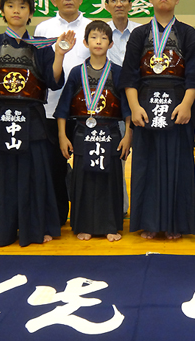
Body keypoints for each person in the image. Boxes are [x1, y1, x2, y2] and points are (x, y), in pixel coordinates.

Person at [0, 0, 76, 247]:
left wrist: (60, 55)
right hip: (0, 117)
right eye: (10, 6)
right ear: (2, 11)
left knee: (35, 176)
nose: (16, 11)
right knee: (1, 176)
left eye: (22, 7)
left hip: (32, 119)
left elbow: (53, 82)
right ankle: (0, 231)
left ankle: (36, 228)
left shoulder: (41, 45)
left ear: (30, 13)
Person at [119, 0, 195, 240]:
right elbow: (129, 74)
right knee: (147, 164)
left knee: (179, 163)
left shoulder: (188, 33)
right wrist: (134, 107)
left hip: (178, 103)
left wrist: (188, 104)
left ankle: (176, 223)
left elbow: (194, 73)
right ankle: (150, 222)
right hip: (145, 104)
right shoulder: (139, 34)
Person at [54, 21, 131, 242]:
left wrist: (128, 135)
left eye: (104, 38)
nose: (99, 41)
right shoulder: (77, 73)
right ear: (86, 42)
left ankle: (111, 225)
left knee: (110, 181)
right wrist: (62, 135)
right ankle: (84, 225)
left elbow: (127, 109)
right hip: (82, 134)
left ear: (111, 43)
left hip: (110, 133)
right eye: (94, 37)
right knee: (84, 181)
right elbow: (62, 109)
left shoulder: (118, 72)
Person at [35, 0, 92, 226]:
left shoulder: (94, 27)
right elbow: (38, 72)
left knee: (87, 168)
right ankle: (56, 217)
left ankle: (85, 218)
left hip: (88, 112)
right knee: (53, 169)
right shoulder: (43, 29)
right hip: (50, 110)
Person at [105, 0, 142, 217]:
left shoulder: (142, 32)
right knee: (115, 160)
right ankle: (120, 207)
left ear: (130, 4)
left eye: (123, 0)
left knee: (143, 161)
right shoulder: (98, 32)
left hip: (140, 104)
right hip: (109, 108)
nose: (119, 4)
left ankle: (141, 209)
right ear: (106, 5)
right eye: (114, 0)